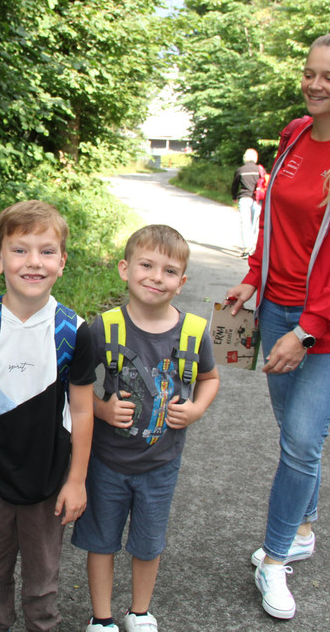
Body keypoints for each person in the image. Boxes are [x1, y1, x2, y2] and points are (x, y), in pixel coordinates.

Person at [225, 31, 330, 620]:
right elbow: (275, 218)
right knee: (296, 434)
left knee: (300, 440)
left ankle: (274, 560)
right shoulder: (295, 133)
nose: (315, 85)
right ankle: (302, 528)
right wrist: (253, 277)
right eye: (309, 73)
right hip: (276, 307)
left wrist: (308, 330)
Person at [0, 200, 96, 632]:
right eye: (20, 250)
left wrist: (76, 480)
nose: (34, 262)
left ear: (62, 262)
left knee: (42, 579)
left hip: (49, 478)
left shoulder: (73, 330)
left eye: (47, 251)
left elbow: (83, 409)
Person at [73, 225, 220, 632]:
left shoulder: (194, 332)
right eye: (147, 266)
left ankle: (140, 612)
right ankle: (101, 617)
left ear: (182, 282)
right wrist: (102, 410)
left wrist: (196, 409)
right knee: (101, 541)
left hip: (161, 465)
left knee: (148, 543)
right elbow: (76, 387)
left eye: (169, 271)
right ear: (125, 269)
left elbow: (210, 378)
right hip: (107, 462)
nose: (157, 277)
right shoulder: (104, 328)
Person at [231, 148, 268, 258]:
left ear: (245, 157)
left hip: (244, 198)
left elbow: (235, 185)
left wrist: (234, 196)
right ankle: (253, 246)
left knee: (245, 223)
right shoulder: (260, 170)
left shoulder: (241, 170)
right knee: (255, 223)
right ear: (256, 158)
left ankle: (246, 248)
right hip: (258, 199)